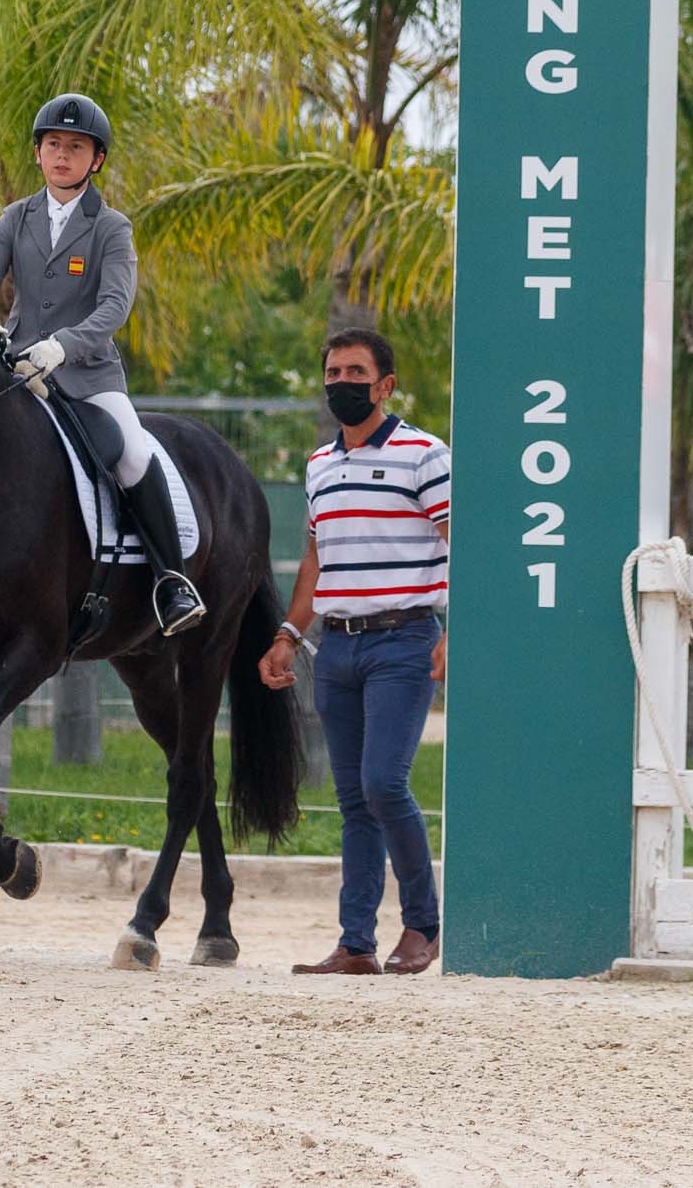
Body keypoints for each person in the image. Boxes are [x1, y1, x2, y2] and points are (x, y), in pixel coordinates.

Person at [0, 92, 205, 639]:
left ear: (95, 160)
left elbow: (114, 306)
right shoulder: (15, 217)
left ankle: (171, 580)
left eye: (75, 148)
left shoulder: (111, 228)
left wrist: (63, 345)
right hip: (19, 371)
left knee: (131, 451)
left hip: (88, 375)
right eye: (53, 145)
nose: (62, 156)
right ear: (38, 153)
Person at [260, 327, 449, 976]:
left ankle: (424, 924)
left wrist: (458, 631)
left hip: (405, 639)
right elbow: (317, 557)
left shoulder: (426, 455)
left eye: (355, 371)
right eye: (332, 371)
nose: (342, 381)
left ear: (386, 384)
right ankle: (356, 942)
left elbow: (464, 541)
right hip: (335, 648)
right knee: (352, 801)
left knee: (383, 783)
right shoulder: (319, 464)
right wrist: (288, 635)